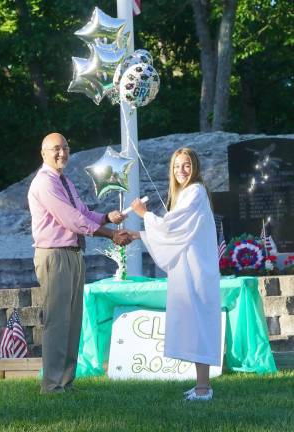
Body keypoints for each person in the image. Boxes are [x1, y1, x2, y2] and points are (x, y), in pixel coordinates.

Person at [28, 132, 132, 394]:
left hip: (73, 254)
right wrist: (110, 235)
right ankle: (51, 386)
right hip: (54, 256)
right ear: (43, 154)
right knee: (57, 321)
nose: (62, 153)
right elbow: (72, 220)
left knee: (72, 321)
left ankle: (65, 381)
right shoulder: (45, 183)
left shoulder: (64, 181)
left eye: (65, 147)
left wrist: (107, 217)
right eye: (55, 149)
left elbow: (84, 213)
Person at [130, 147, 221, 401]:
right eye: (177, 166)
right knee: (193, 326)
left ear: (196, 168)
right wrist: (139, 234)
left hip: (196, 270)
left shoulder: (196, 191)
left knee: (199, 325)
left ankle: (204, 389)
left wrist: (143, 214)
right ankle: (201, 384)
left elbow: (171, 225)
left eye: (187, 165)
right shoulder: (184, 194)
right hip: (187, 269)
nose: (181, 170)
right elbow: (174, 231)